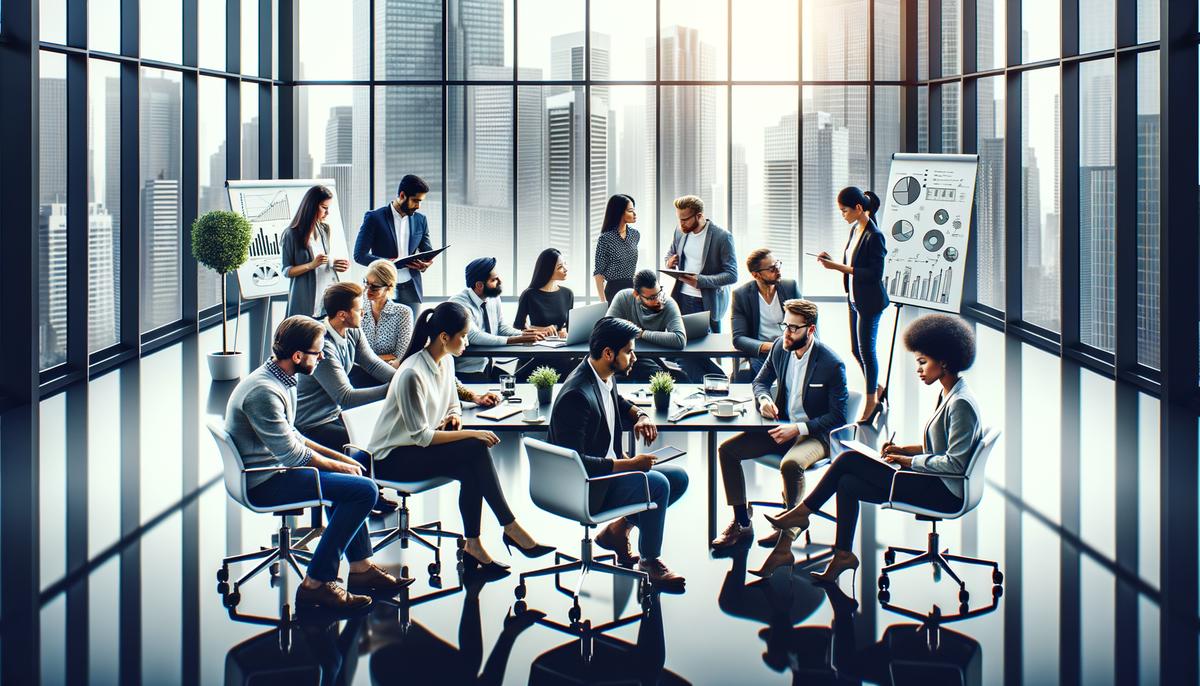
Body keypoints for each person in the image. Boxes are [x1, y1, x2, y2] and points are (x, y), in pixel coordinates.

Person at [766, 314, 981, 585]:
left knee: (848, 459)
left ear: (945, 362)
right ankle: (842, 555)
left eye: (923, 362)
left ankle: (802, 513)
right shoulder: (949, 393)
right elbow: (940, 446)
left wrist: (906, 461)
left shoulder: (960, 403)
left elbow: (956, 465)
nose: (919, 369)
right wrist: (904, 449)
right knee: (846, 483)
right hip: (934, 480)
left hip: (945, 493)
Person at [225, 315, 411, 612]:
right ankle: (316, 584)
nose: (322, 356)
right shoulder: (265, 392)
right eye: (317, 351)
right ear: (297, 356)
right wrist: (339, 467)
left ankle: (361, 568)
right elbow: (292, 454)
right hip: (265, 480)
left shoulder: (280, 377)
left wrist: (341, 459)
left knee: (355, 471)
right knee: (363, 491)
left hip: (276, 468)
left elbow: (295, 434)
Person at [367, 302, 554, 578]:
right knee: (474, 448)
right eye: (463, 335)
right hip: (391, 459)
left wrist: (455, 418)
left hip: (415, 450)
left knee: (472, 466)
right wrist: (469, 432)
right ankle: (509, 527)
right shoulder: (411, 374)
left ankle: (476, 545)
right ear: (444, 337)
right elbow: (421, 437)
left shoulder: (446, 362)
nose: (466, 342)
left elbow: (452, 404)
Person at [547, 317, 689, 589]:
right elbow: (576, 464)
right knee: (656, 484)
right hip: (585, 486)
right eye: (629, 351)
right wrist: (631, 464)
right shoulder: (576, 395)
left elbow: (619, 402)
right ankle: (650, 561)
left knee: (678, 478)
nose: (634, 357)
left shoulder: (601, 373)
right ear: (608, 353)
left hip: (605, 474)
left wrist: (641, 414)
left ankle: (618, 529)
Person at [711, 299, 849, 578]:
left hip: (815, 434)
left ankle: (785, 541)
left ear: (810, 330)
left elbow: (838, 417)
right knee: (728, 451)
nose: (786, 333)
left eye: (793, 329)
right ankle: (741, 522)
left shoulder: (832, 364)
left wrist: (798, 430)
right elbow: (760, 382)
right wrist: (763, 399)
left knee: (790, 465)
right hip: (782, 425)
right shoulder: (780, 347)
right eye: (784, 325)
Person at [816, 186, 890, 423]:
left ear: (859, 208)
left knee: (868, 353)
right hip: (854, 298)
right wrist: (833, 261)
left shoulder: (874, 235)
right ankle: (877, 389)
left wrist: (836, 267)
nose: (842, 215)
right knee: (856, 350)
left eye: (844, 210)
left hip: (869, 302)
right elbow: (853, 262)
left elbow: (873, 274)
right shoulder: (855, 230)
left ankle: (871, 403)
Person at [295, 282, 396, 453]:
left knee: (385, 431)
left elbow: (372, 364)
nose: (364, 313)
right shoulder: (322, 346)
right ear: (342, 315)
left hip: (335, 415)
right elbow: (346, 397)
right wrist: (397, 387)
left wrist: (403, 377)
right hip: (312, 424)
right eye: (359, 310)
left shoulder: (353, 331)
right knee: (373, 444)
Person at [449, 257, 545, 382]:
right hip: (468, 369)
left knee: (521, 381)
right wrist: (516, 339)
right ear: (479, 285)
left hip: (489, 365)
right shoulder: (459, 303)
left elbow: (500, 326)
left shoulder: (493, 297)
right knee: (503, 390)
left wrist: (524, 334)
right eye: (494, 279)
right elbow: (474, 336)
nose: (500, 281)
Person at [353, 174, 435, 313]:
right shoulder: (374, 218)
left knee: (410, 333)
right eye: (415, 200)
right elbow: (359, 255)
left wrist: (425, 264)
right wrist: (389, 263)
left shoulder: (421, 220)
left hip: (411, 287)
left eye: (421, 201)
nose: (418, 206)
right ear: (402, 195)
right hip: (381, 286)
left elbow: (427, 251)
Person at [664, 195, 737, 332]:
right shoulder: (680, 231)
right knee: (687, 345)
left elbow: (732, 275)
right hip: (683, 297)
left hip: (708, 301)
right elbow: (669, 253)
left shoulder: (722, 237)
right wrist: (669, 262)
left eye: (685, 219)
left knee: (709, 347)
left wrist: (701, 281)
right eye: (679, 219)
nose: (681, 224)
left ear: (699, 216)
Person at [731, 248, 801, 380]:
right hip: (763, 352)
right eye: (772, 268)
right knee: (764, 381)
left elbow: (807, 320)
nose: (778, 270)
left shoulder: (790, 287)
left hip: (791, 349)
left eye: (778, 264)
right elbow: (738, 338)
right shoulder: (741, 295)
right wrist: (773, 347)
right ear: (756, 275)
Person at [604, 269, 686, 381]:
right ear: (636, 294)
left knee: (679, 377)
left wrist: (642, 333)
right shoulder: (623, 297)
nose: (658, 300)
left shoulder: (668, 303)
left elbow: (680, 339)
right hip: (624, 356)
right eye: (651, 298)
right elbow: (606, 330)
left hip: (649, 357)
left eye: (659, 293)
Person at [281, 185, 350, 318]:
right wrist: (311, 265)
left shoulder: (324, 229)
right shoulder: (292, 234)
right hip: (305, 301)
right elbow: (286, 270)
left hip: (326, 298)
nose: (327, 213)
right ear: (311, 206)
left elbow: (323, 260)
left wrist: (335, 263)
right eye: (324, 208)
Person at [350, 259, 414, 388]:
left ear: (389, 286)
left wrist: (366, 360)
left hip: (387, 375)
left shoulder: (403, 313)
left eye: (375, 287)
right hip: (357, 374)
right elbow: (352, 354)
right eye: (366, 283)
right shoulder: (357, 309)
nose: (367, 290)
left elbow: (400, 356)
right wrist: (384, 358)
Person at [513, 248, 576, 380]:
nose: (565, 269)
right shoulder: (529, 295)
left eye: (565, 264)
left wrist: (564, 331)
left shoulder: (567, 294)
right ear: (548, 270)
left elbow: (568, 326)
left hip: (560, 351)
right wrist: (541, 329)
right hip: (537, 351)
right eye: (560, 267)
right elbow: (520, 326)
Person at [593, 194, 641, 303]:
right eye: (630, 211)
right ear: (619, 212)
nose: (634, 214)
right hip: (613, 292)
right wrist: (603, 301)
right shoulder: (605, 238)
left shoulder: (635, 235)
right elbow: (598, 273)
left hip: (632, 290)